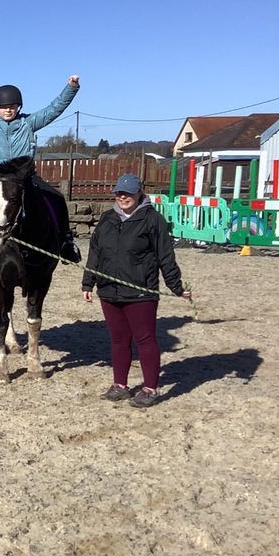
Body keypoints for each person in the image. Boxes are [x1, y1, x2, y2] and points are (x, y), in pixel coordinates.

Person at [82, 173, 191, 408]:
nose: (123, 197)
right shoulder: (107, 219)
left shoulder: (153, 220)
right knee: (118, 339)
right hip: (109, 290)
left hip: (140, 292)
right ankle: (120, 385)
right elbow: (95, 252)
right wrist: (88, 282)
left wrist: (177, 286)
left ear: (139, 192)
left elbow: (166, 257)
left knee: (145, 339)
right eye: (120, 193)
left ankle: (150, 388)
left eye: (129, 192)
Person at [0, 76, 83, 264]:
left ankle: (65, 242)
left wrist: (71, 88)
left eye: (12, 106)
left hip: (24, 176)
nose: (8, 109)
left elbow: (54, 110)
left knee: (57, 198)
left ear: (18, 107)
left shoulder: (28, 123)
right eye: (4, 107)